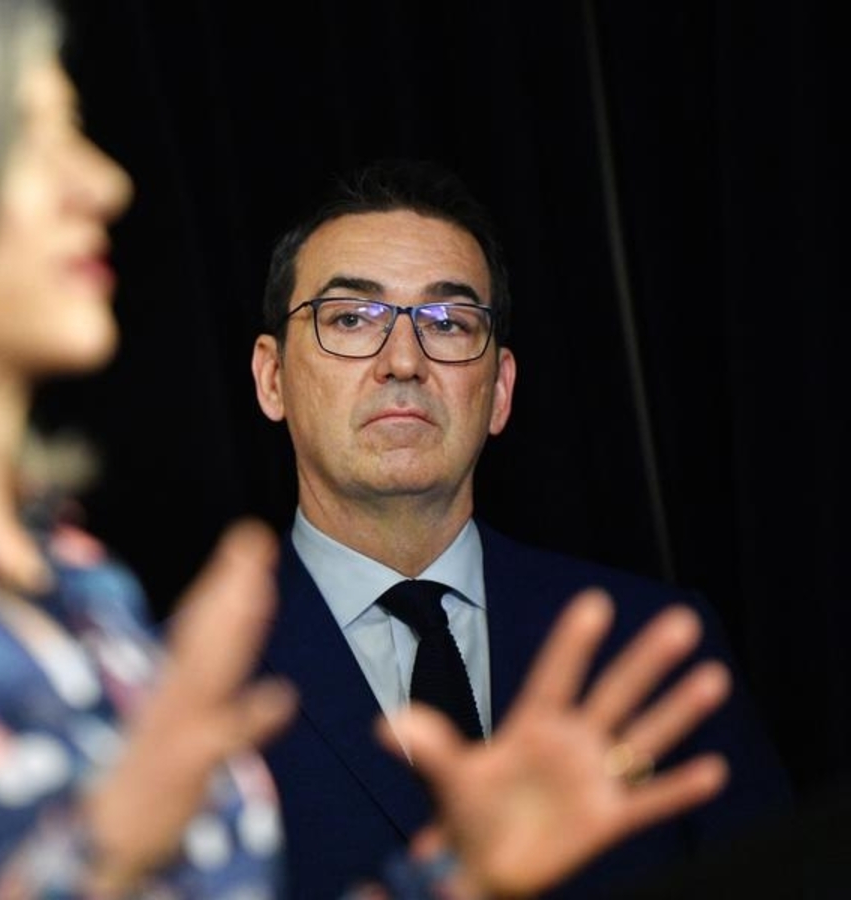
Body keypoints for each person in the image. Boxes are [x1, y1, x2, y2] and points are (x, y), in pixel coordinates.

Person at [0, 1, 745, 897]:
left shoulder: (79, 588)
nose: (103, 184)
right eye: (28, 139)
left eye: (449, 323)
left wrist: (461, 878)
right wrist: (98, 856)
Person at [249, 158, 796, 899]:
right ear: (272, 378)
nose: (403, 361)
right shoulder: (172, 693)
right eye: (351, 319)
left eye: (449, 323)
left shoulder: (653, 642)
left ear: (500, 391)